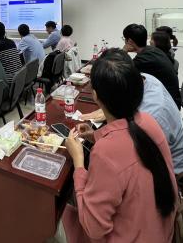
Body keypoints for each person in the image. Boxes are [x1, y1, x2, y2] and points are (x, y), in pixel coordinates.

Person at [62, 50, 177, 242]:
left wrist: (79, 163)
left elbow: (93, 228)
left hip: (129, 236)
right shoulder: (148, 121)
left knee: (59, 209)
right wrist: (95, 136)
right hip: (161, 231)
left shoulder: (105, 152)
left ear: (95, 95)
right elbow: (128, 149)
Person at [82, 49, 183, 173]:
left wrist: (79, 164)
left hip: (171, 171)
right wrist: (96, 136)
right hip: (157, 156)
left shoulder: (149, 116)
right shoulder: (146, 79)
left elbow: (126, 158)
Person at [123, 23, 181, 109]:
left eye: (124, 39)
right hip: (169, 98)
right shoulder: (152, 50)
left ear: (130, 41)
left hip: (168, 106)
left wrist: (124, 51)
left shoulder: (144, 59)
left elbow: (121, 72)